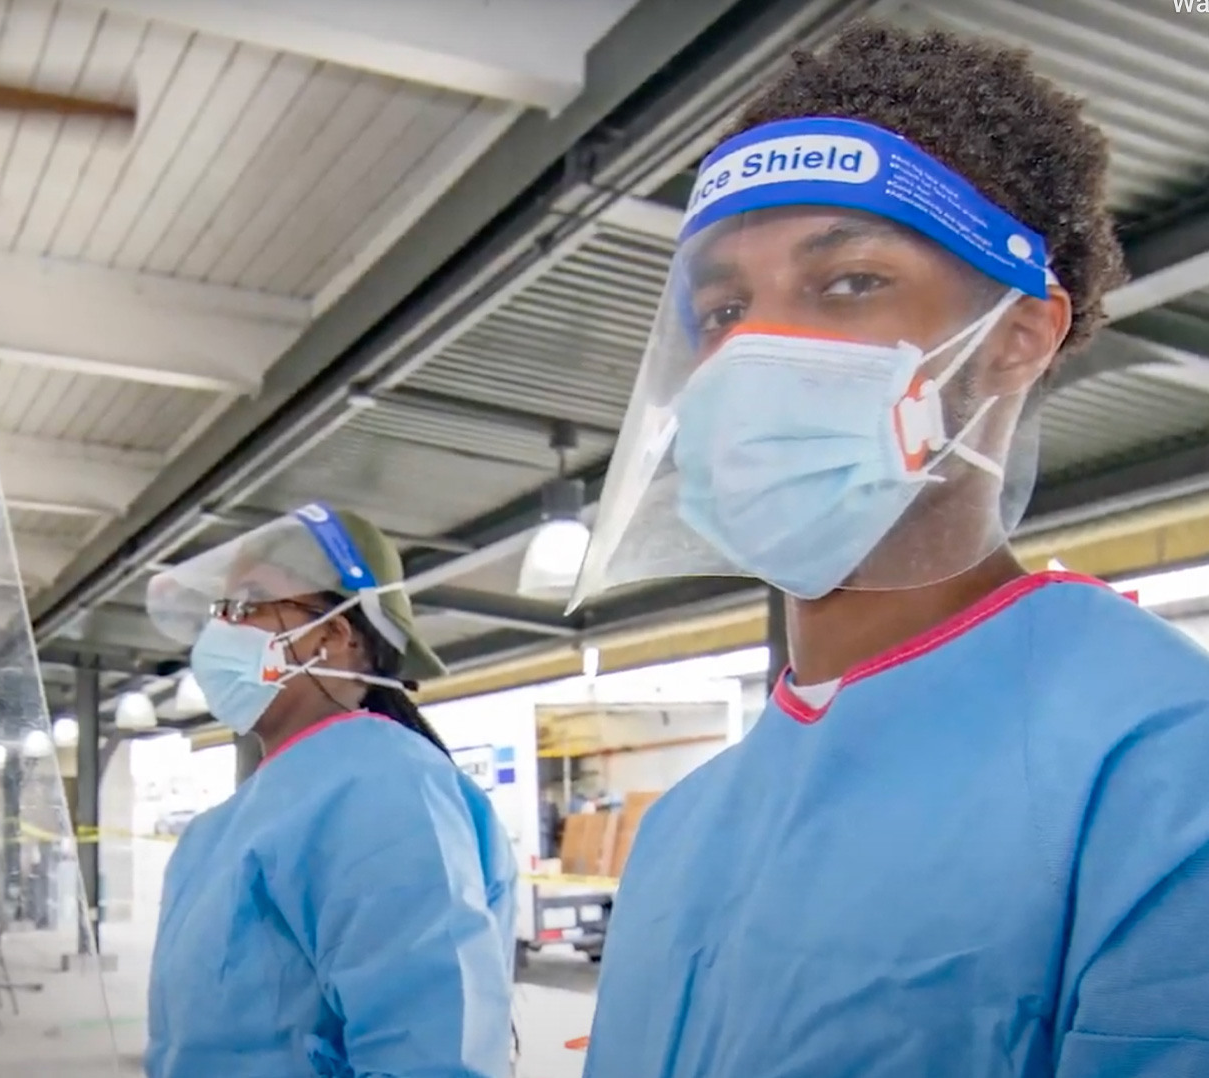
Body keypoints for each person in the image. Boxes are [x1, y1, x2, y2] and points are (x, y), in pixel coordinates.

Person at [571, 20, 1209, 1077]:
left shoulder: (1158, 768)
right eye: (722, 308)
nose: (750, 353)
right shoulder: (685, 827)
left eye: (848, 283)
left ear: (1017, 332)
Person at [143, 503, 517, 1078]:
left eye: (244, 606)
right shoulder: (228, 822)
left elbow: (430, 1050)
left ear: (334, 635)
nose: (220, 630)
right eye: (219, 611)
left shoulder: (382, 785)